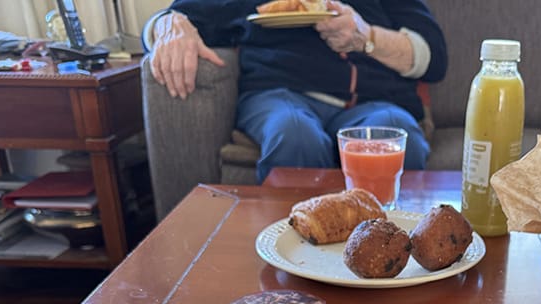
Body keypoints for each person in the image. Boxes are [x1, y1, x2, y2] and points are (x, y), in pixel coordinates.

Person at [148, 0, 448, 183]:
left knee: (394, 135)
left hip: (374, 100)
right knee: (293, 133)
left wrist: (367, 36)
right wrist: (167, 25)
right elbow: (180, 14)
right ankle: (293, 255)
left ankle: (385, 250)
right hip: (279, 94)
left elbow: (435, 59)